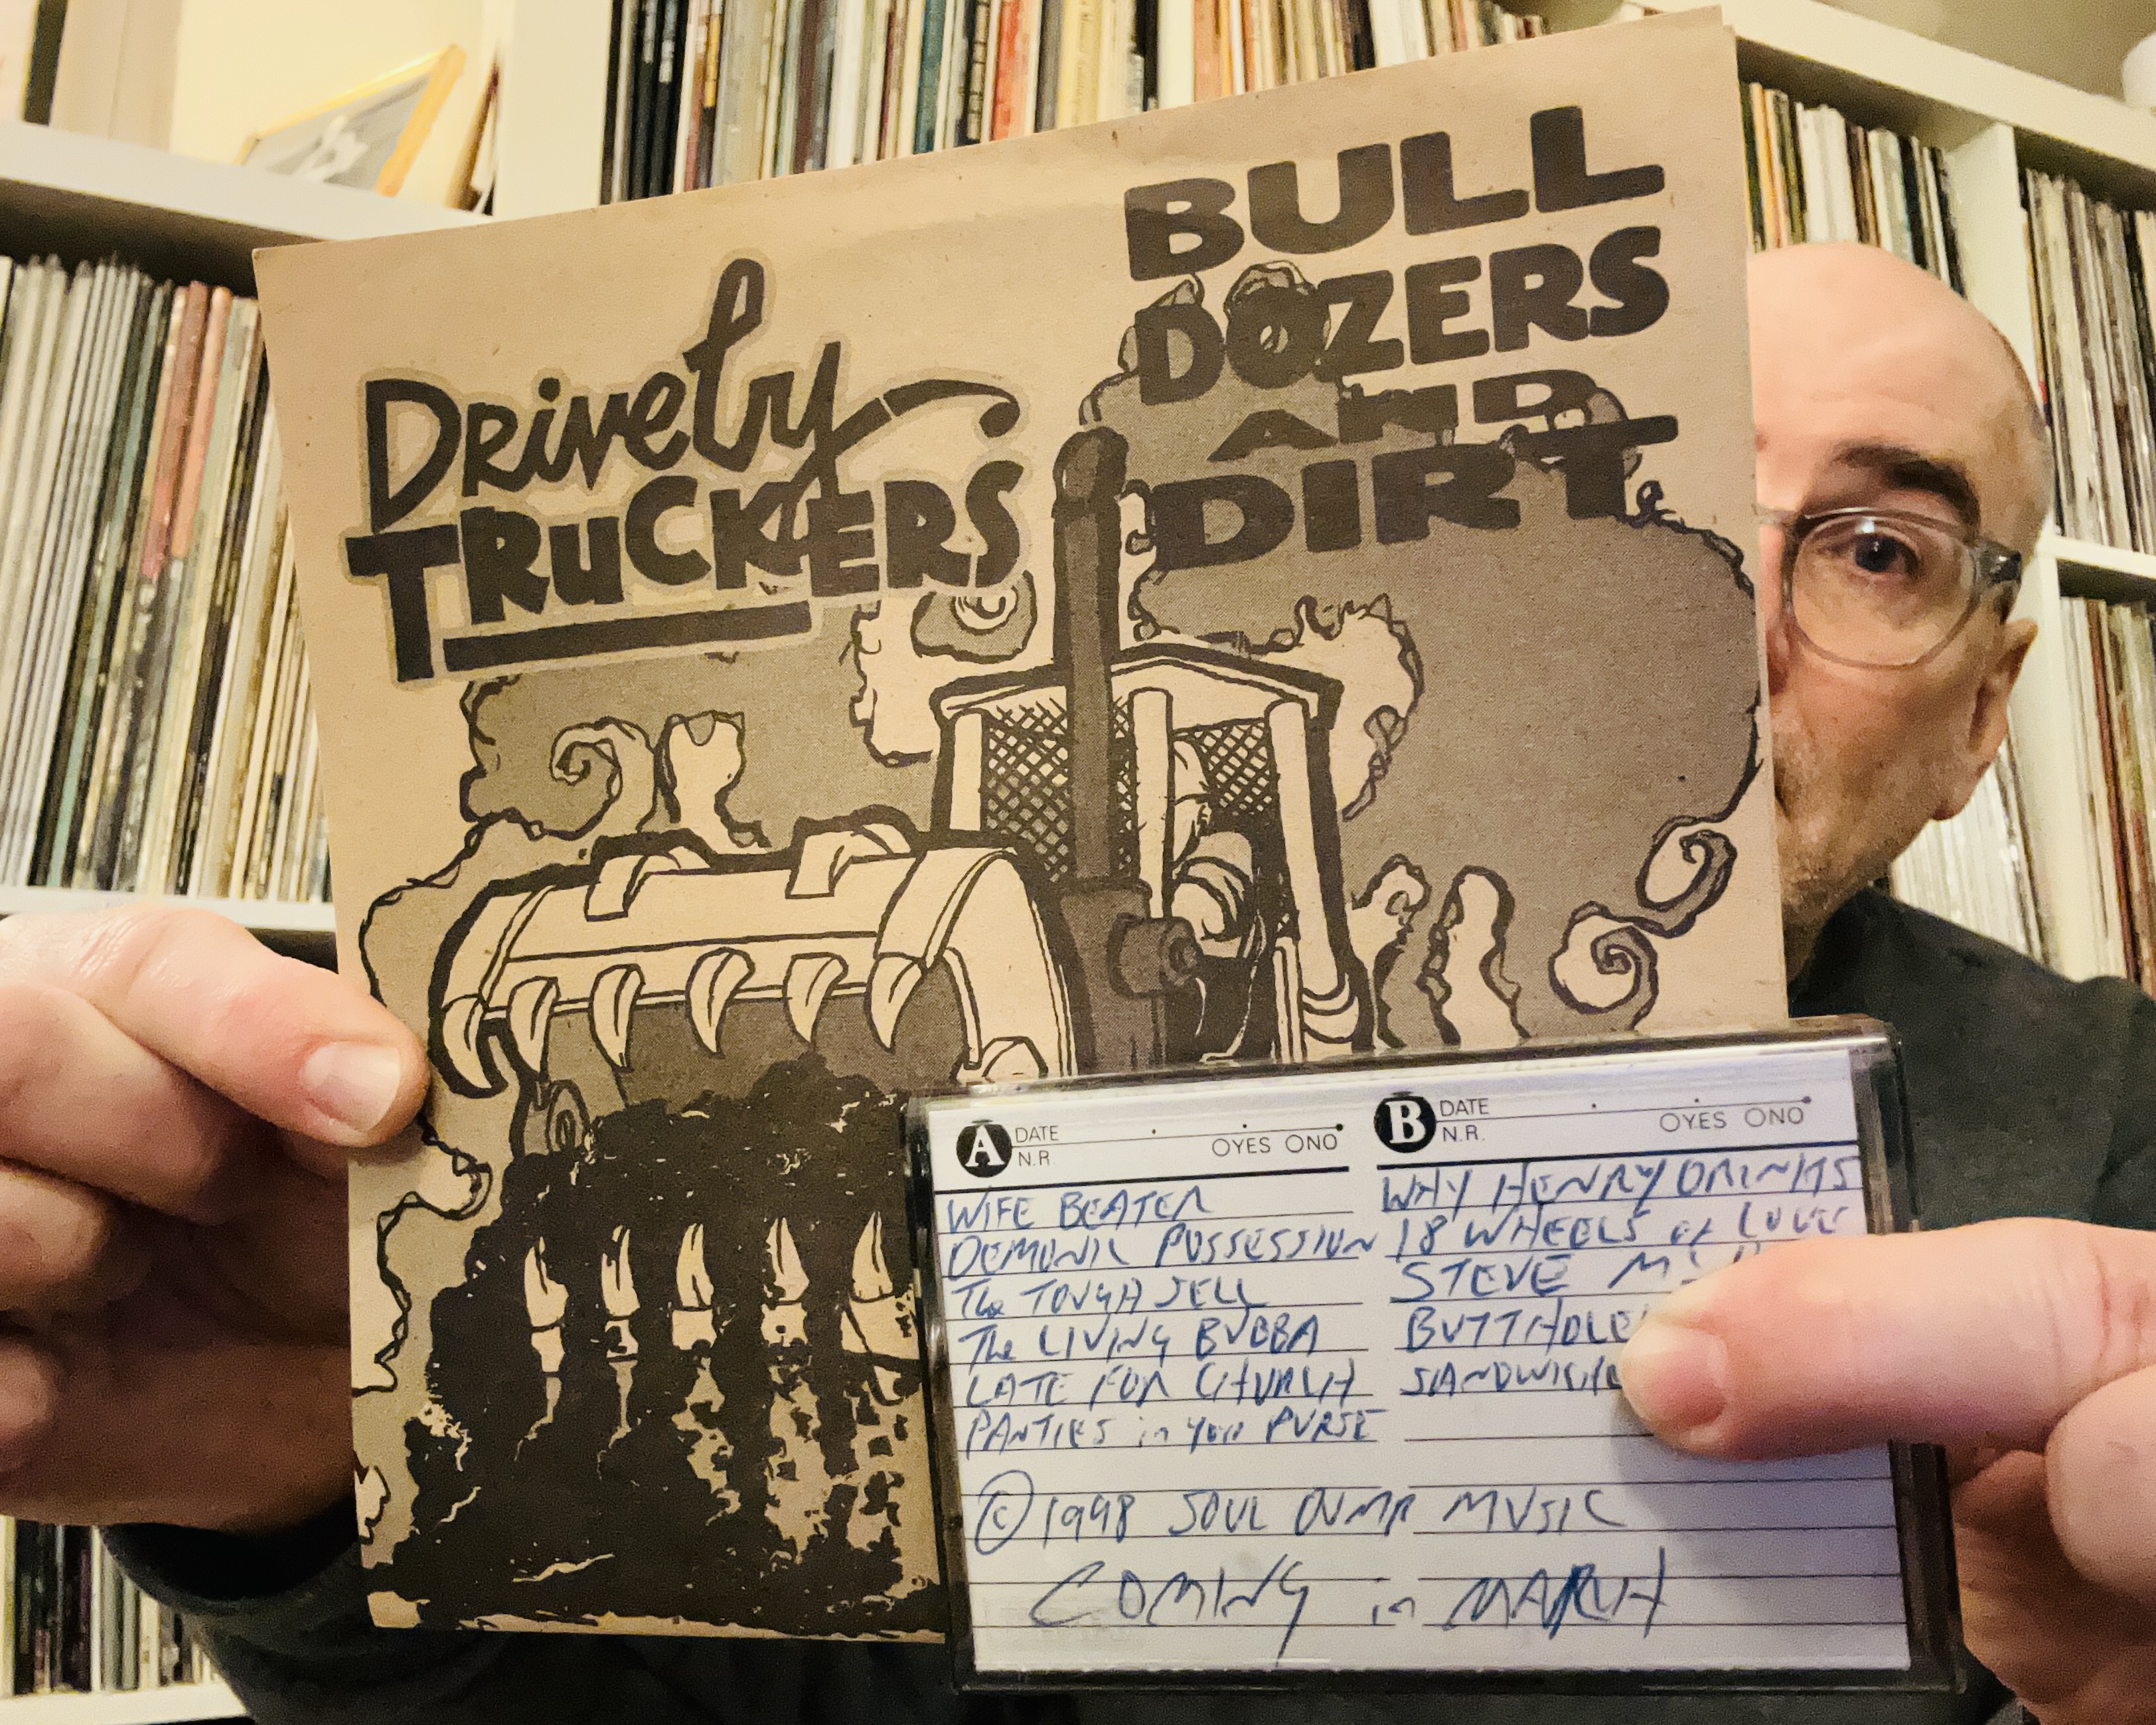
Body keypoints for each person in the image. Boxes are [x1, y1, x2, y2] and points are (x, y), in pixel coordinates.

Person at [0, 239, 2148, 1724]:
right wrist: (320, 1497)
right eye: (1644, 495)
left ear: (1985, 712)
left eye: (1878, 547)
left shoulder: (2119, 1140)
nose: (1721, 621)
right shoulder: (960, 1074)